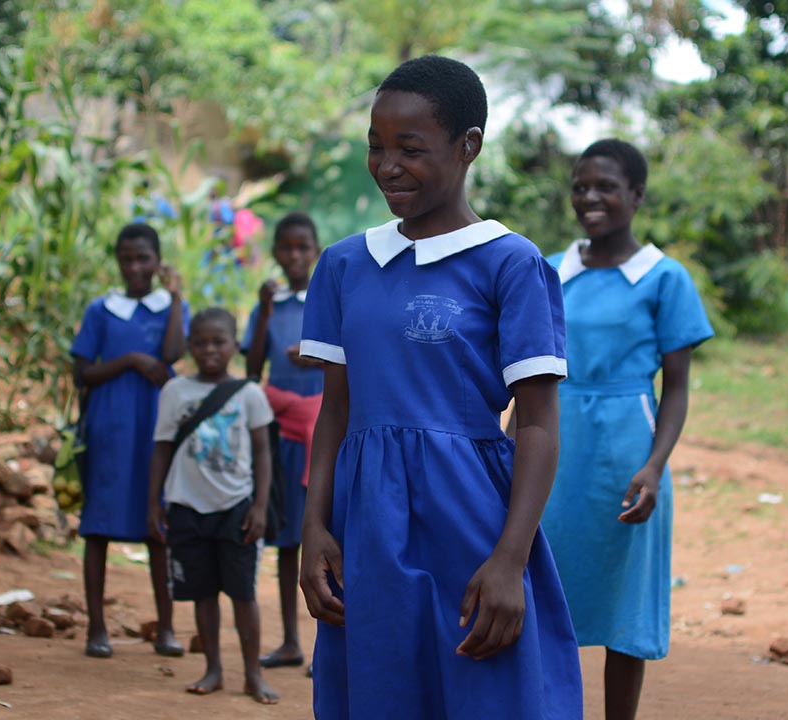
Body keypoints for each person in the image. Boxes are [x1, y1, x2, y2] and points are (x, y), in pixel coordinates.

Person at [298, 55, 583, 719]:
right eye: (376, 146)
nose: (388, 166)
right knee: (381, 690)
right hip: (367, 523)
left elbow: (538, 422)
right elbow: (336, 411)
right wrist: (314, 526)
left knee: (484, 691)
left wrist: (510, 559)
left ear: (468, 146)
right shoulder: (344, 265)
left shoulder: (510, 263)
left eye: (411, 148)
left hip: (472, 519)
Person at [539, 139, 714, 720]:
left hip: (627, 458)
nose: (590, 197)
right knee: (539, 594)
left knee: (624, 606)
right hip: (551, 447)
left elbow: (677, 387)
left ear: (637, 195)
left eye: (606, 187)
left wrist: (654, 466)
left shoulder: (664, 279)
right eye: (580, 187)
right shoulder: (548, 271)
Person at [147, 307, 280, 705]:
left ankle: (253, 675)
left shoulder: (249, 394)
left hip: (236, 507)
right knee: (203, 593)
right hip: (187, 507)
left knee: (243, 594)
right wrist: (154, 502)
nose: (210, 350)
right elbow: (162, 448)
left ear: (234, 346)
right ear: (189, 345)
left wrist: (260, 506)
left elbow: (263, 452)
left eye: (218, 342)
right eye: (201, 342)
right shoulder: (175, 392)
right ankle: (214, 669)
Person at [69, 222, 189, 660]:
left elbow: (173, 353)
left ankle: (167, 628)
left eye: (143, 259)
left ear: (158, 262)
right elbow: (83, 373)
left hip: (156, 429)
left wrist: (175, 296)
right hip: (111, 428)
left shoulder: (171, 307)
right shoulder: (102, 310)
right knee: (98, 526)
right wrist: (132, 360)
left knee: (158, 525)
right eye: (127, 259)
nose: (135, 267)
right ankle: (96, 628)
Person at [242, 212, 324, 671]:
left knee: (327, 534)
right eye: (286, 248)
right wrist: (264, 313)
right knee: (287, 536)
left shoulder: (328, 298)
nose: (294, 256)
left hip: (325, 430)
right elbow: (253, 369)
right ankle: (291, 641)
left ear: (316, 251)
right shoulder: (268, 306)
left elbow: (351, 358)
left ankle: (324, 644)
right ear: (274, 252)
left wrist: (317, 359)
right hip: (281, 432)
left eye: (303, 247)